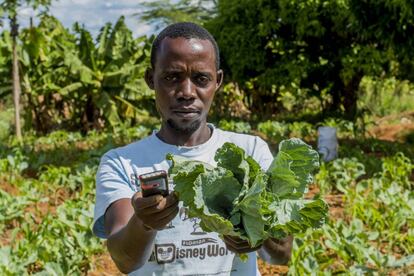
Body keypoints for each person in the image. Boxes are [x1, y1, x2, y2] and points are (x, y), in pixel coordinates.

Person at [93, 22, 293, 275]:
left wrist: (257, 232)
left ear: (217, 81)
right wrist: (144, 223)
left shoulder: (250, 152)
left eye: (201, 79)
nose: (187, 92)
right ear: (150, 79)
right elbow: (124, 260)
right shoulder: (122, 162)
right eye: (171, 77)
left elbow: (282, 253)